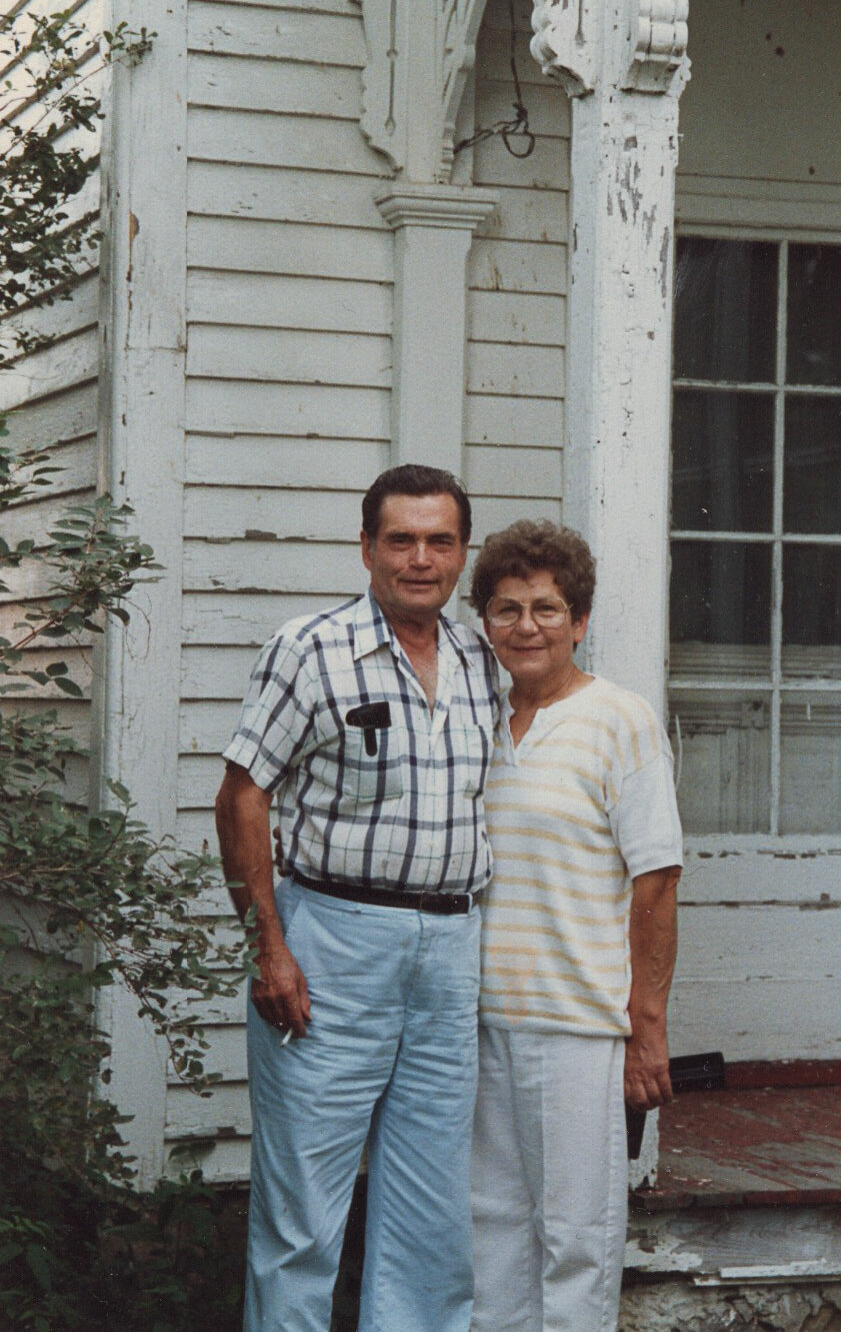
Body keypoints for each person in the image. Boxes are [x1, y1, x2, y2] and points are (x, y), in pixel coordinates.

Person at [215, 464, 499, 1332]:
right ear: (367, 546)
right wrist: (270, 945)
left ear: (461, 552)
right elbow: (240, 796)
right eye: (401, 539)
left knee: (430, 1212)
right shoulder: (311, 647)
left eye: (439, 540)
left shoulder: (481, 656)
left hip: (449, 950)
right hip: (332, 941)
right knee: (303, 1210)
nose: (421, 559)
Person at [467, 520, 683, 1332]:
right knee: (488, 1230)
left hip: (579, 1027)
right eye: (506, 608)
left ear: (580, 620)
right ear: (483, 622)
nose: (526, 626)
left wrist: (645, 1030)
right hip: (481, 1019)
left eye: (547, 608)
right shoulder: (474, 723)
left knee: (575, 1241)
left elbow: (655, 883)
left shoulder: (618, 720)